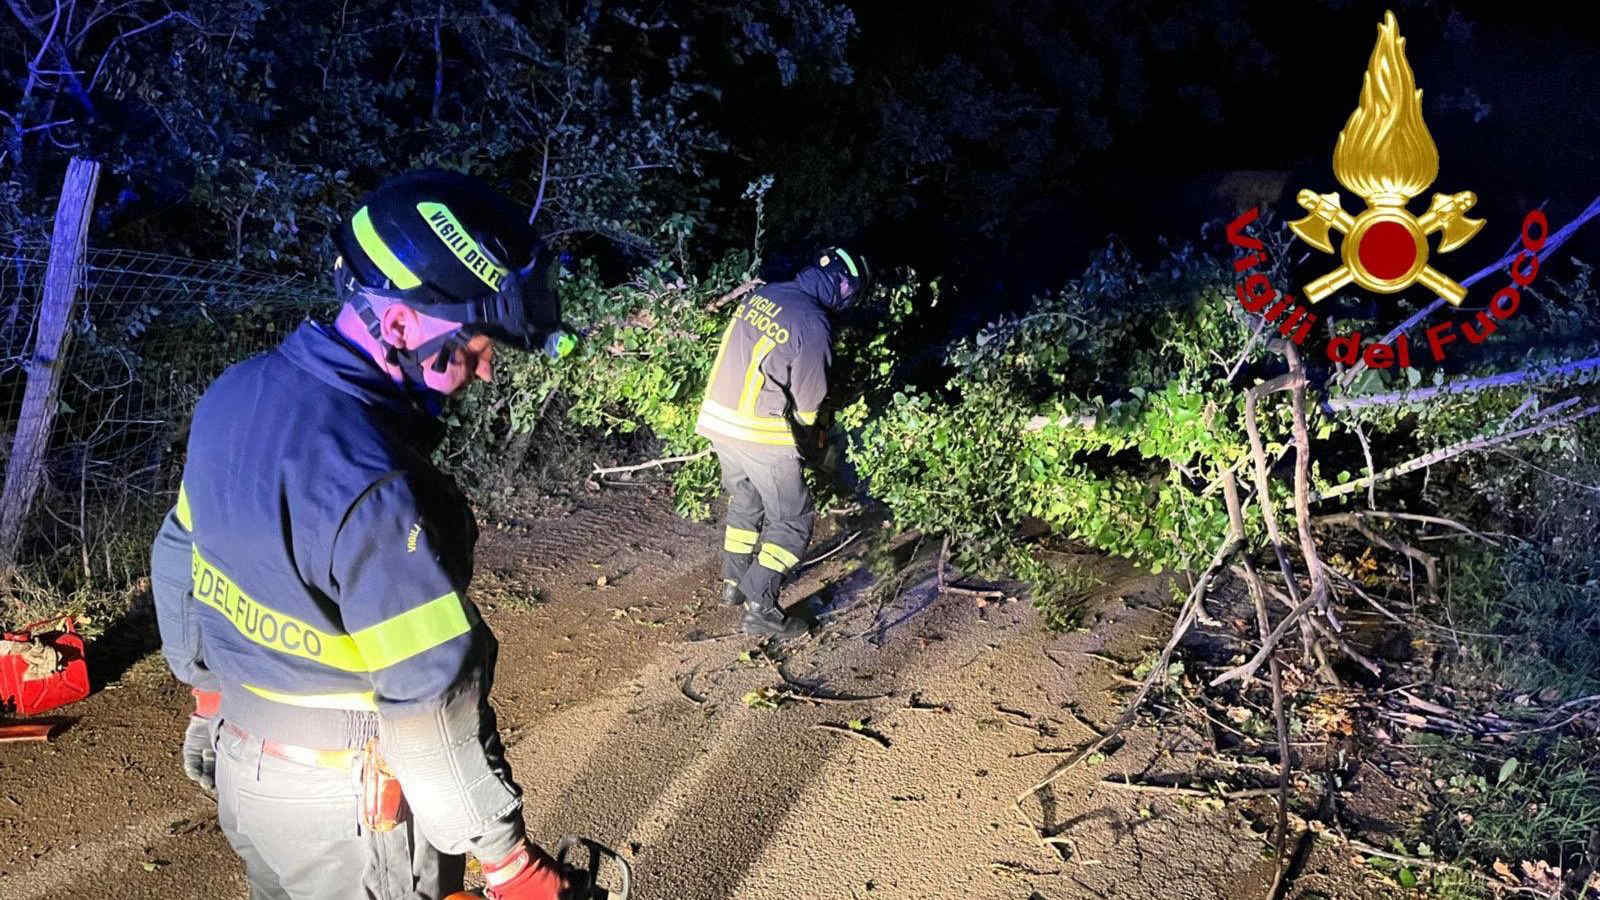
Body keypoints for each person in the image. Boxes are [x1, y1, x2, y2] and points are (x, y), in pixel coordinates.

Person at [150, 169, 575, 900]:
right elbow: (429, 696)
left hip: (248, 772)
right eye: (475, 343)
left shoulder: (234, 393)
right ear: (402, 325)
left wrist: (210, 703)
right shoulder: (374, 486)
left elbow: (179, 555)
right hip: (351, 812)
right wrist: (507, 861)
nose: (485, 368)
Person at [694, 248, 870, 639]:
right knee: (792, 520)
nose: (847, 298)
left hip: (718, 421)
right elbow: (809, 400)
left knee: (745, 500)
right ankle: (760, 607)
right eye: (848, 290)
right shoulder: (813, 321)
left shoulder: (763, 295)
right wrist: (809, 438)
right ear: (840, 283)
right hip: (758, 431)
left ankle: (734, 584)